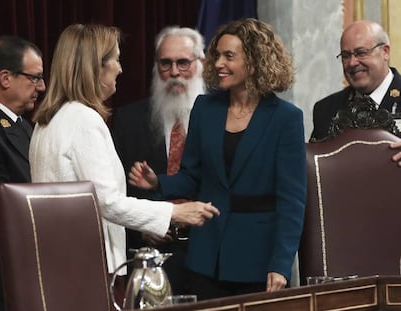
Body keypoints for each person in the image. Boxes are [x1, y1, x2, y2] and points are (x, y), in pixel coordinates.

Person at [28, 24, 219, 306]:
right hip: (88, 267)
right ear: (96, 67)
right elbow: (108, 202)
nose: (120, 69)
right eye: (115, 59)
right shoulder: (84, 121)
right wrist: (175, 211)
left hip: (60, 263)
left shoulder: (48, 121)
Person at [129, 18, 307, 300]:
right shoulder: (205, 108)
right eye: (217, 55)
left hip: (258, 260)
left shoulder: (286, 118)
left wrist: (281, 264)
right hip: (206, 257)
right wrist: (157, 183)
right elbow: (192, 176)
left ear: (255, 60)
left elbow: (292, 201)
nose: (219, 64)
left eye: (229, 56)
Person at [111, 26, 205, 294]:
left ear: (201, 64)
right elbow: (116, 190)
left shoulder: (222, 117)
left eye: (183, 63)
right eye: (166, 63)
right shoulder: (128, 120)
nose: (174, 72)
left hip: (208, 256)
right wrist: (141, 226)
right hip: (152, 260)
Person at [0, 36, 46, 311]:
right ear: (5, 78)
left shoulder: (22, 125)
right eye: (34, 78)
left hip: (24, 268)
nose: (41, 87)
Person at [311, 20, 401, 141]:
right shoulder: (326, 109)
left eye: (361, 53)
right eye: (346, 55)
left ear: (385, 52)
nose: (352, 63)